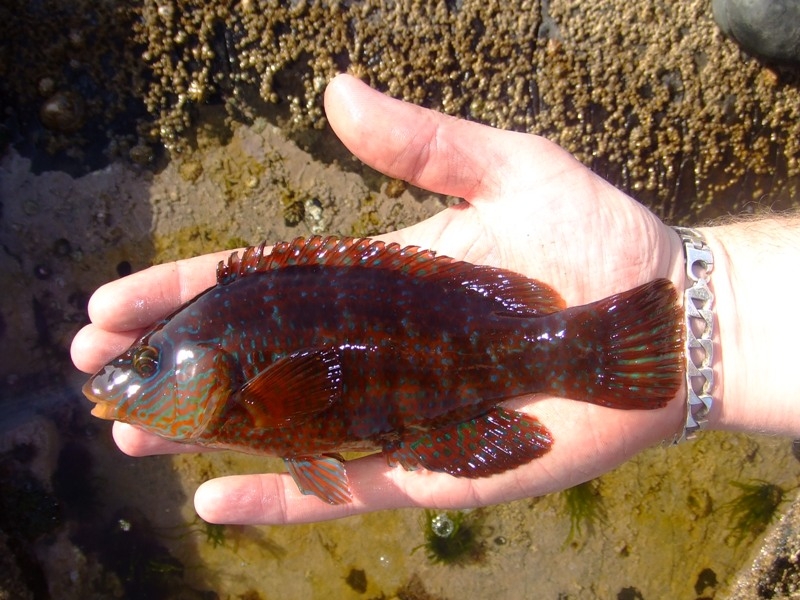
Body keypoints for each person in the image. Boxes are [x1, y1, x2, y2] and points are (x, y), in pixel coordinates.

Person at [70, 73, 800, 526]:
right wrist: (716, 308)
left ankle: (594, 348)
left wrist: (708, 299)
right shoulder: (229, 363)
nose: (123, 381)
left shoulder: (236, 367)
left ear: (206, 365)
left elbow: (318, 381)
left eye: (147, 361)